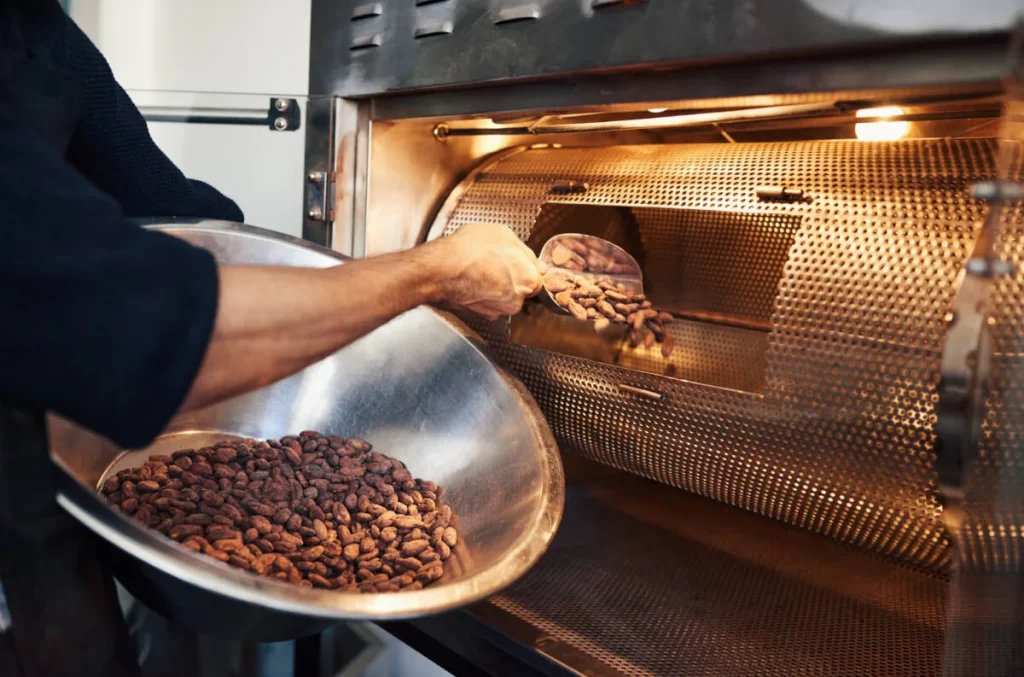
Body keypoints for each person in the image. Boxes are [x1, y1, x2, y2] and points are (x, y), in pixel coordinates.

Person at [0, 2, 542, 675]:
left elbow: (181, 215)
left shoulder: (35, 28)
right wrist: (437, 270)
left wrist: (314, 290)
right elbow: (151, 328)